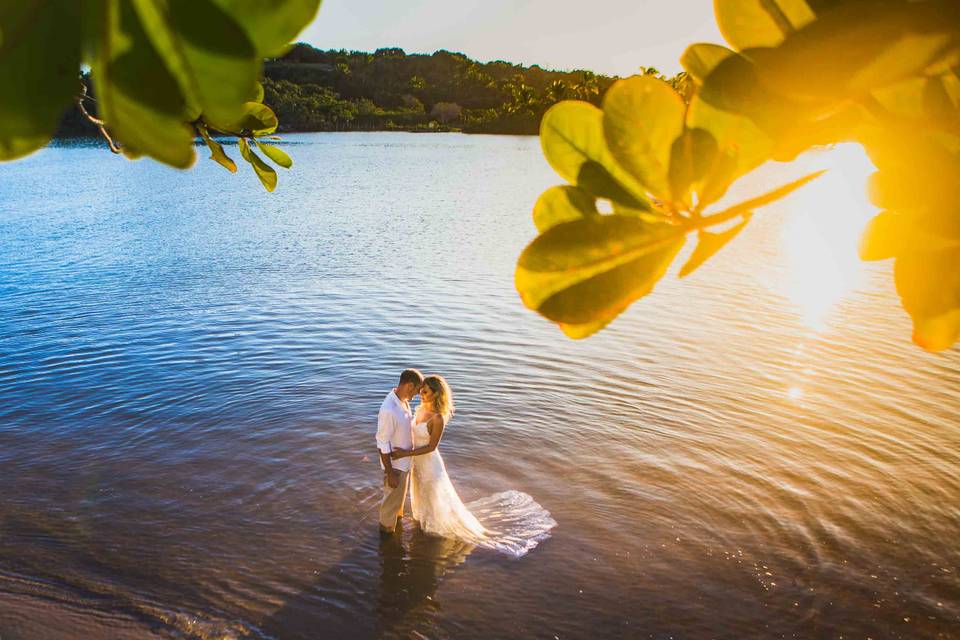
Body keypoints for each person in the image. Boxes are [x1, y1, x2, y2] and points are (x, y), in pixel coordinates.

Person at [376, 368, 424, 533]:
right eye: (417, 390)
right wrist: (390, 473)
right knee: (389, 509)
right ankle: (386, 537)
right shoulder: (389, 409)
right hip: (395, 468)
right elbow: (382, 443)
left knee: (396, 506)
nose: (417, 394)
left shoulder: (403, 402)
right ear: (409, 385)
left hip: (404, 464)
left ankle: (395, 529)